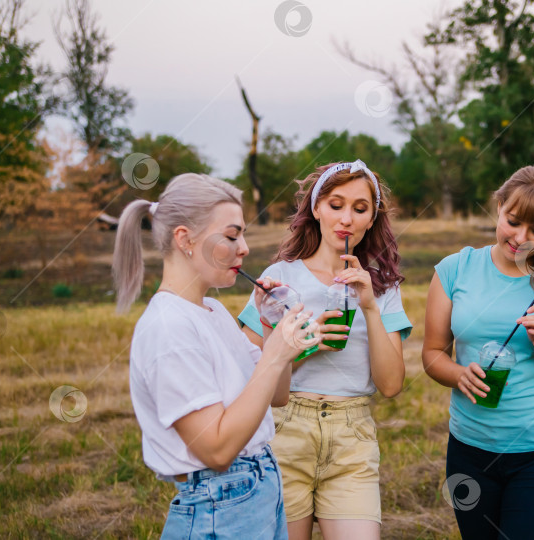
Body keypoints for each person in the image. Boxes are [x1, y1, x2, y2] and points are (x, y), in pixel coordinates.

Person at [113, 173, 320, 540]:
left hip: (259, 490)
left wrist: (273, 326)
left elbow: (276, 396)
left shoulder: (213, 311)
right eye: (231, 235)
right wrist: (273, 356)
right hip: (219, 506)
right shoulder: (169, 328)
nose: (244, 248)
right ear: (184, 239)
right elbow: (217, 450)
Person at [422, 165, 534, 539]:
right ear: (498, 206)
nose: (521, 238)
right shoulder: (455, 270)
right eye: (513, 221)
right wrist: (458, 374)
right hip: (470, 450)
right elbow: (433, 353)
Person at [238, 160, 412, 540]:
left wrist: (368, 305)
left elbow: (391, 384)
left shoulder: (382, 287)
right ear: (316, 209)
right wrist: (302, 345)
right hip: (286, 430)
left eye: (360, 208)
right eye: (336, 205)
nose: (346, 218)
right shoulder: (279, 280)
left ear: (371, 218)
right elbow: (249, 380)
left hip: (352, 437)